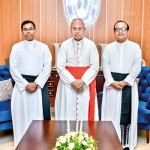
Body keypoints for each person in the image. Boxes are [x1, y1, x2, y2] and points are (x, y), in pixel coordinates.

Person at [10, 20, 52, 148]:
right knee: (21, 116)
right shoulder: (16, 47)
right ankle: (21, 143)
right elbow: (13, 68)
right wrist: (24, 84)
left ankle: (39, 143)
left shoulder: (43, 47)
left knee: (38, 117)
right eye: (25, 29)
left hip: (38, 86)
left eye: (31, 28)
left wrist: (36, 83)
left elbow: (47, 67)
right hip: (21, 88)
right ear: (22, 31)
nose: (28, 31)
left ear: (35, 30)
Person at [101, 20, 142, 150]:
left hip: (128, 86)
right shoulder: (108, 48)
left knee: (126, 114)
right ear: (114, 32)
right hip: (111, 86)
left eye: (123, 29)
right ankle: (110, 140)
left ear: (127, 31)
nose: (120, 31)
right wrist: (112, 82)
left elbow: (137, 67)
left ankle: (126, 143)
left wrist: (125, 82)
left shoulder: (135, 47)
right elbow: (105, 66)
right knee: (110, 113)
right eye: (117, 29)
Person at [55, 18, 99, 121]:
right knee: (67, 111)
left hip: (86, 85)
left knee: (84, 112)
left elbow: (94, 67)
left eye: (80, 29)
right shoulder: (65, 45)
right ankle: (66, 135)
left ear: (84, 30)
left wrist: (82, 81)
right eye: (74, 28)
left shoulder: (91, 45)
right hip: (67, 85)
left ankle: (86, 135)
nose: (77, 31)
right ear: (70, 30)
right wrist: (73, 82)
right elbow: (60, 67)